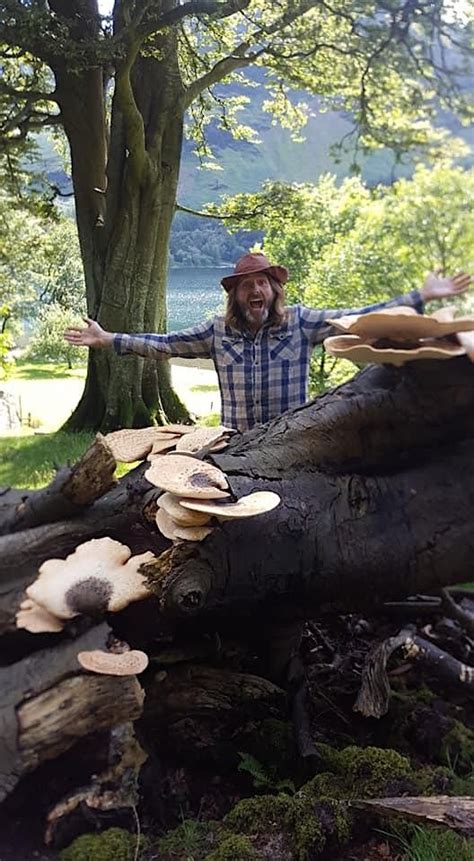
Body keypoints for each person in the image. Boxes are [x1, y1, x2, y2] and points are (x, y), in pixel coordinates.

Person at [65, 252, 471, 432]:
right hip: (236, 446)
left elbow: (362, 319)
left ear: (276, 291)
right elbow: (164, 344)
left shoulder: (302, 323)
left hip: (293, 440)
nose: (254, 290)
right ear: (235, 296)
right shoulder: (216, 331)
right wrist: (108, 339)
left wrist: (421, 297)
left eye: (262, 282)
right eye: (246, 285)